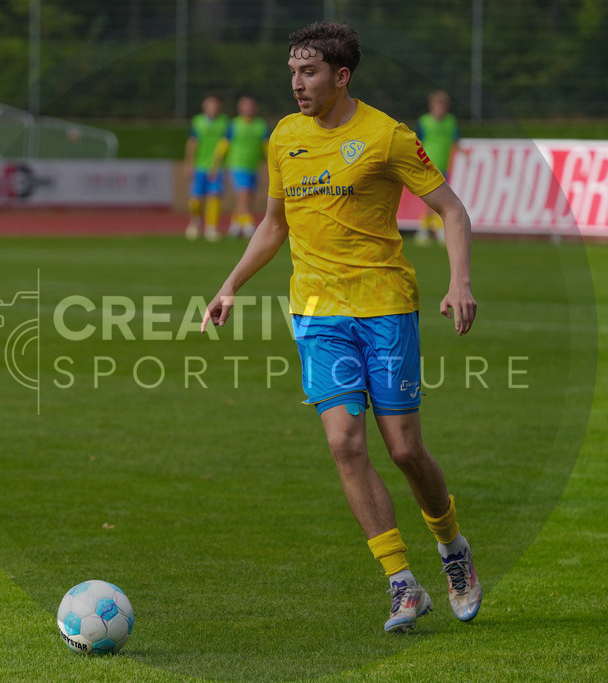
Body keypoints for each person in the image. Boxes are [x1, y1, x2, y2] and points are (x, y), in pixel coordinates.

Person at [201, 21, 481, 633]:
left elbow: (451, 209)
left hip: (385, 305)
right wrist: (230, 286)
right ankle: (402, 585)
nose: (297, 85)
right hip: (317, 312)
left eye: (309, 73)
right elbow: (275, 224)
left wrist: (458, 282)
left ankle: (452, 549)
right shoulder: (285, 136)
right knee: (343, 443)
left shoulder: (386, 136)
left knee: (405, 449)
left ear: (341, 76)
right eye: (293, 73)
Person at [210, 95, 270, 239]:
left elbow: (268, 148)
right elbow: (223, 145)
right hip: (237, 165)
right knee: (244, 194)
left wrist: (270, 166)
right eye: (245, 105)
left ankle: (235, 226)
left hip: (253, 167)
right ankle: (249, 227)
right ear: (240, 108)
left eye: (250, 105)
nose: (248, 108)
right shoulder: (233, 124)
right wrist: (215, 165)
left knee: (247, 199)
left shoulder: (261, 125)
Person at [414, 90, 462, 246]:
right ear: (431, 106)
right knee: (435, 200)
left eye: (443, 106)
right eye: (437, 105)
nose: (440, 109)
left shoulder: (451, 122)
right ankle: (436, 230)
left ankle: (426, 230)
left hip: (444, 166)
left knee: (436, 201)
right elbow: (416, 143)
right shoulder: (424, 122)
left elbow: (456, 141)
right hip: (427, 166)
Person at [184, 94, 230, 241]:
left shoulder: (225, 122)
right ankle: (195, 221)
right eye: (210, 104)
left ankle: (211, 227)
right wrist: (189, 162)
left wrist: (216, 165)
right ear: (204, 106)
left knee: (214, 197)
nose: (213, 107)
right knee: (195, 199)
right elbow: (192, 143)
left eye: (216, 105)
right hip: (199, 166)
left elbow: (225, 144)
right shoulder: (197, 121)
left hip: (217, 167)